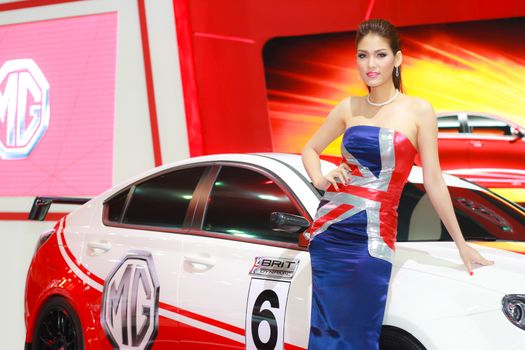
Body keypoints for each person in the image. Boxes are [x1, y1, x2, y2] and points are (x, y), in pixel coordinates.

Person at [301, 18, 495, 349]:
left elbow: (433, 180)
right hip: (331, 234)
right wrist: (320, 177)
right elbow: (310, 148)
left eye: (380, 55)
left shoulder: (419, 110)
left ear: (398, 59)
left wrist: (461, 242)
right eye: (362, 56)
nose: (371, 64)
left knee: (358, 333)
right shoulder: (348, 107)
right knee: (326, 331)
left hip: (373, 239)